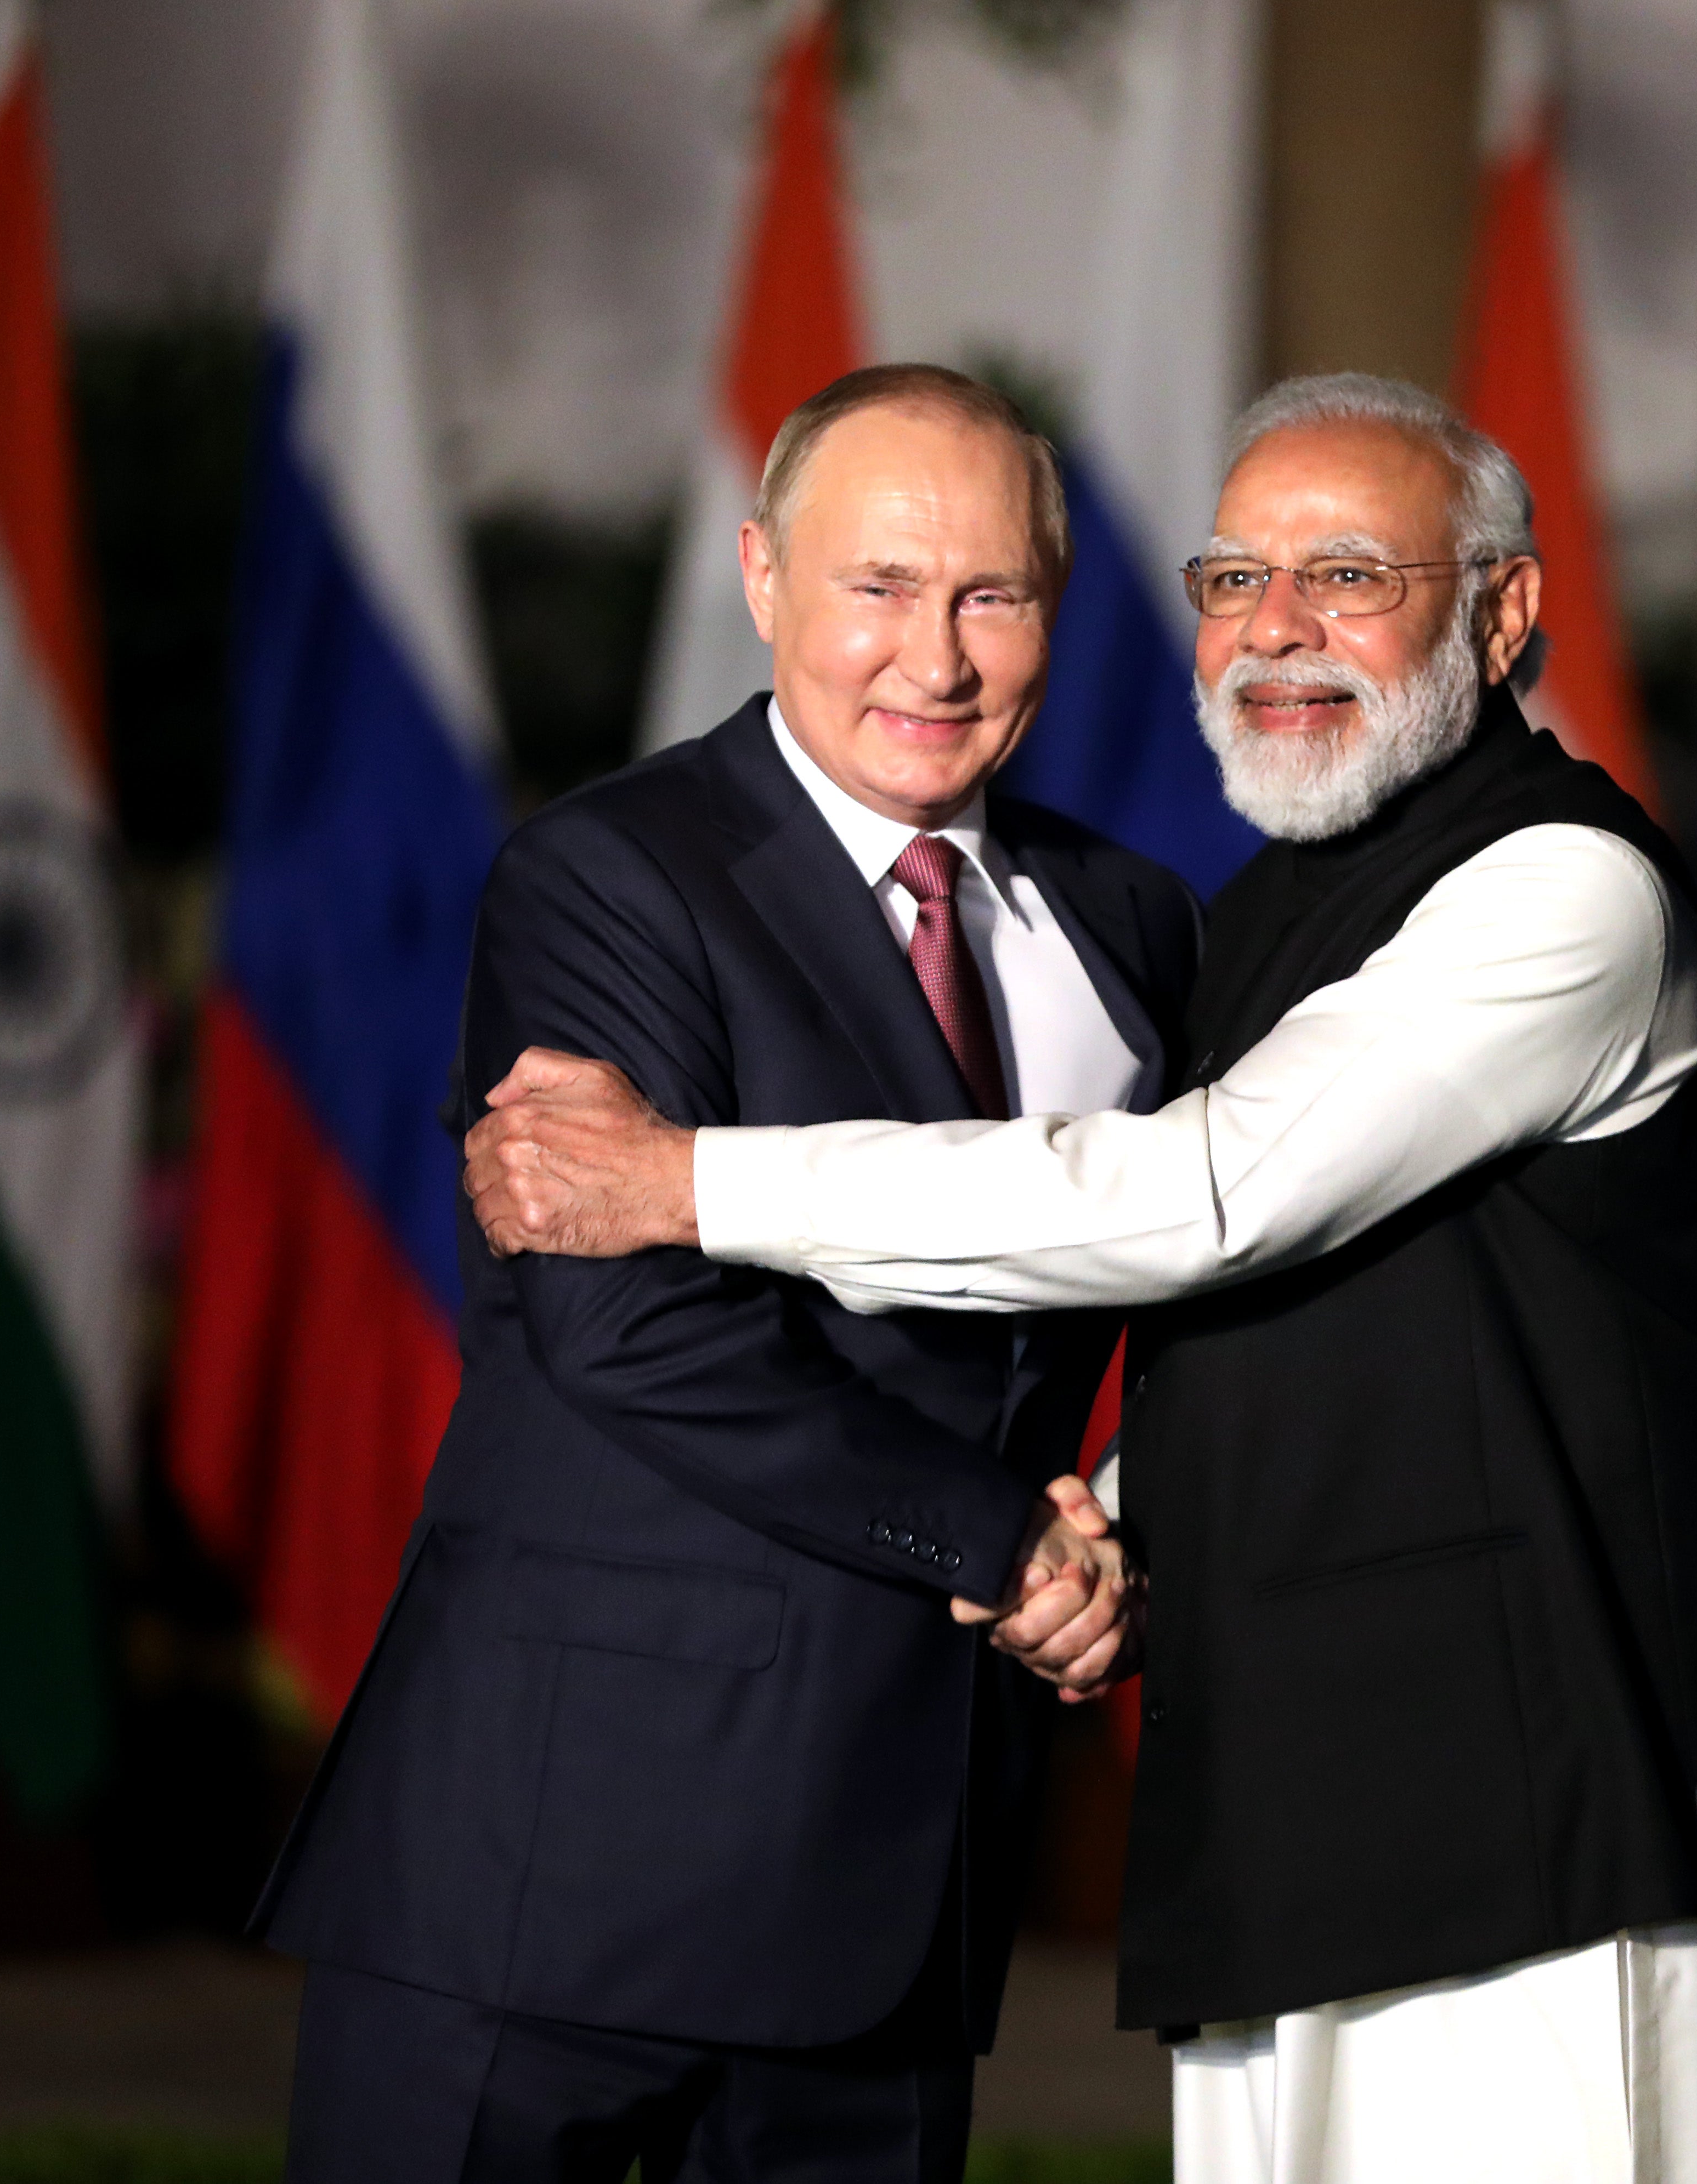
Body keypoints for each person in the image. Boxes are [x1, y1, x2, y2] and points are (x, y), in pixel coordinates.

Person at [465, 373, 1697, 2184]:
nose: (1274, 628)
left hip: (1574, 1797)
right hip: (1312, 1781)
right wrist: (1099, 1520)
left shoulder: (1563, 891)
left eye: (1348, 573)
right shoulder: (1270, 904)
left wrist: (684, 1180)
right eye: (1229, 579)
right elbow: (1313, 1332)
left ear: (1500, 614)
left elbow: (1208, 1200)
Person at [266, 363, 1198, 2184]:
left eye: (989, 596)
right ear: (764, 578)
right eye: (878, 587)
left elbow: (1187, 1271)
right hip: (556, 1871)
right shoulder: (611, 877)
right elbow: (623, 1330)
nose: (931, 659)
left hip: (899, 1889)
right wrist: (1001, 1543)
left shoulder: (1132, 922)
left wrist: (1118, 1536)